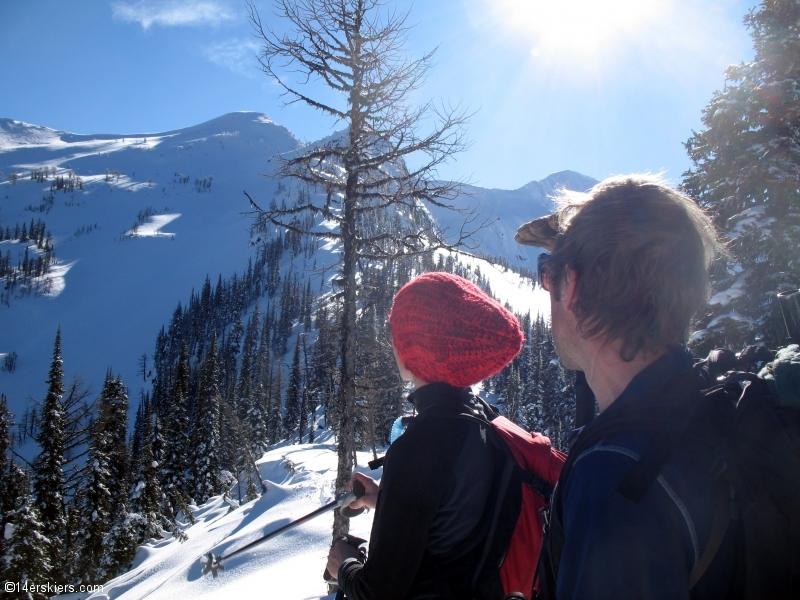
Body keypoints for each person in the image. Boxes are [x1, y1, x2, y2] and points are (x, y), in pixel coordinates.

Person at [515, 174, 737, 599]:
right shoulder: (706, 404)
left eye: (548, 275)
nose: (547, 289)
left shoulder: (617, 479)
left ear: (572, 286)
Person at [326, 271, 524, 600]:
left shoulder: (420, 447)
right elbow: (450, 515)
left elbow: (378, 592)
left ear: (420, 347)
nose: (391, 342)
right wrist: (388, 499)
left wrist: (343, 565)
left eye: (397, 332)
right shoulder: (480, 422)